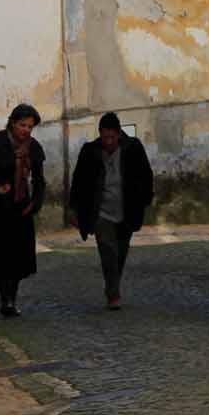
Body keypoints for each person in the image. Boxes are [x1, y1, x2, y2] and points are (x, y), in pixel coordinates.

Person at [69, 113, 154, 309]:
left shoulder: (133, 148)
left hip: (126, 210)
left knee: (120, 253)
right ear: (100, 134)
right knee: (107, 251)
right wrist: (73, 208)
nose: (108, 142)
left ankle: (111, 286)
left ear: (119, 134)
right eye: (104, 137)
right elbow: (78, 181)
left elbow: (146, 175)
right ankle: (113, 294)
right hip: (101, 212)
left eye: (112, 137)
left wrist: (145, 199)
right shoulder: (90, 151)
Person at [0, 104, 46, 318]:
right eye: (23, 125)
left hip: (21, 208)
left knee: (18, 258)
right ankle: (6, 299)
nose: (26, 130)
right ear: (13, 122)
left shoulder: (33, 148)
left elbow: (40, 180)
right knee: (1, 257)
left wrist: (35, 203)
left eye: (30, 127)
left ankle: (11, 297)